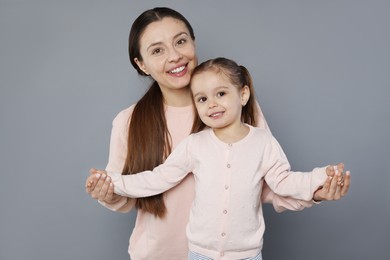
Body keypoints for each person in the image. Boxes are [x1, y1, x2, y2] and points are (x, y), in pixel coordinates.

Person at [85, 7, 350, 260]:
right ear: (142, 64)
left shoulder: (235, 108)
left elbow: (270, 185)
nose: (174, 56)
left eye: (180, 42)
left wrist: (316, 191)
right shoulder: (129, 121)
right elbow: (131, 190)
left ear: (193, 42)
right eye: (157, 50)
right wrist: (109, 191)